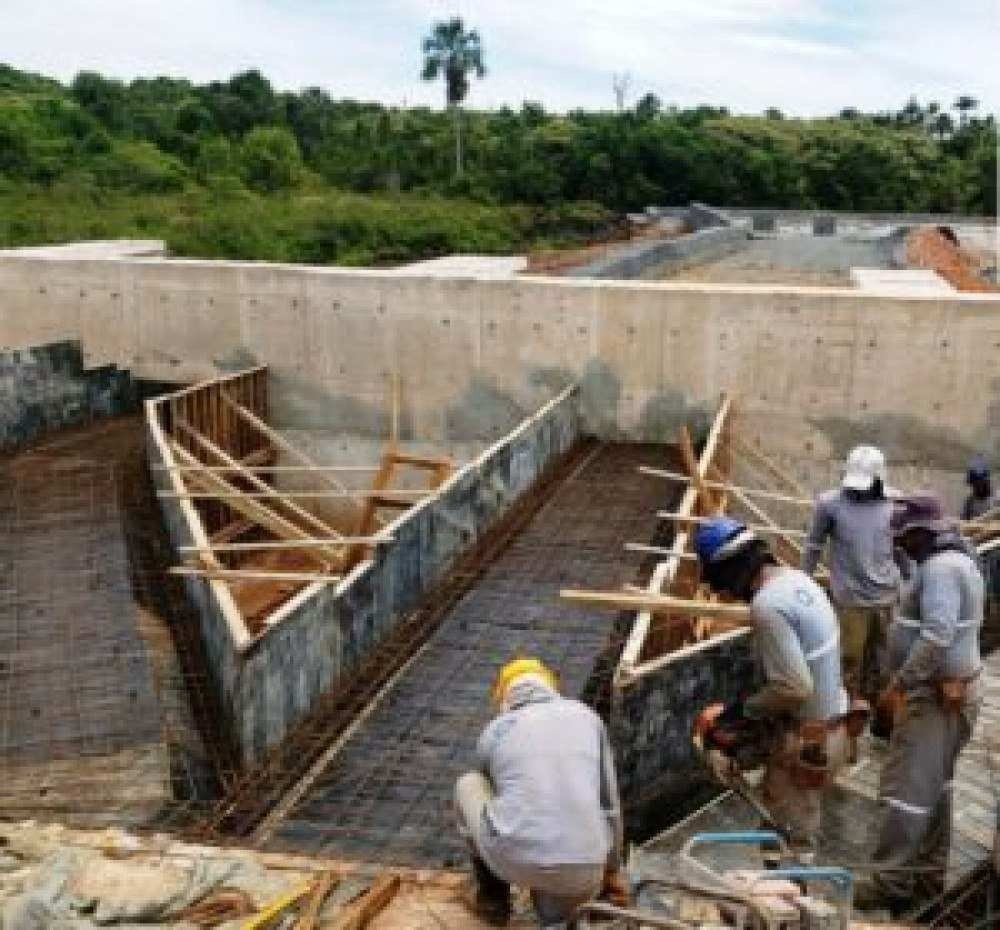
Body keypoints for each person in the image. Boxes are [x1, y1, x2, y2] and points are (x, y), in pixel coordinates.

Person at [693, 517, 856, 858]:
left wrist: (734, 712)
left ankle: (790, 900)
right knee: (787, 817)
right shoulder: (798, 580)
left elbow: (793, 687)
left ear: (732, 570)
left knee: (794, 839)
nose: (726, 594)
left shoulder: (767, 606)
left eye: (722, 583)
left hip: (808, 743)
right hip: (833, 727)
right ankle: (778, 849)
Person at [854, 494, 982, 913]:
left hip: (930, 696)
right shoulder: (958, 558)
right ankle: (927, 876)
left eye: (902, 537)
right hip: (946, 692)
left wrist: (900, 684)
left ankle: (892, 881)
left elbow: (939, 632)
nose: (898, 544)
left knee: (906, 792)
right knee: (934, 789)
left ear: (919, 534)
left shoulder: (941, 569)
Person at [454, 658, 627, 928]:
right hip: (583, 865)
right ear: (551, 687)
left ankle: (494, 900)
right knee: (557, 918)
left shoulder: (494, 732)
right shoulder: (587, 717)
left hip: (513, 858)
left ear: (504, 696)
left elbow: (502, 796)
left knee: (469, 783)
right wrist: (612, 869)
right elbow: (610, 805)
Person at [803, 445, 899, 703]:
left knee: (884, 665)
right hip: (850, 602)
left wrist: (911, 585)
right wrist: (805, 580)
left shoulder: (895, 504)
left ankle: (879, 719)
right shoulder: (830, 504)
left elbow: (902, 547)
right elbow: (814, 545)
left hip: (887, 598)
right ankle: (845, 720)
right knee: (848, 666)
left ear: (880, 479)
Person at [961, 456, 996, 521]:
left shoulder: (995, 500)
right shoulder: (969, 502)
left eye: (981, 484)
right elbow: (964, 520)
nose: (978, 488)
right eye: (975, 485)